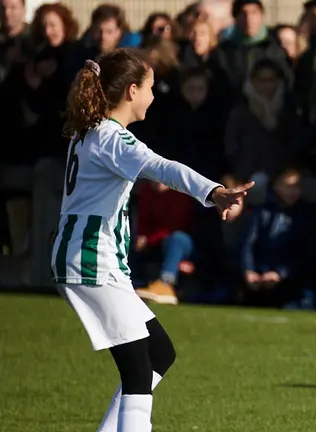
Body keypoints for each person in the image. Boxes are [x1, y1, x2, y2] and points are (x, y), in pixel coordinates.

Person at [51, 49, 253, 432]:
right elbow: (162, 167)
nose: (154, 95)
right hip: (92, 259)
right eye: (150, 87)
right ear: (131, 91)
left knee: (159, 353)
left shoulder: (87, 132)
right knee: (137, 371)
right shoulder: (111, 137)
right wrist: (213, 192)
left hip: (88, 257)